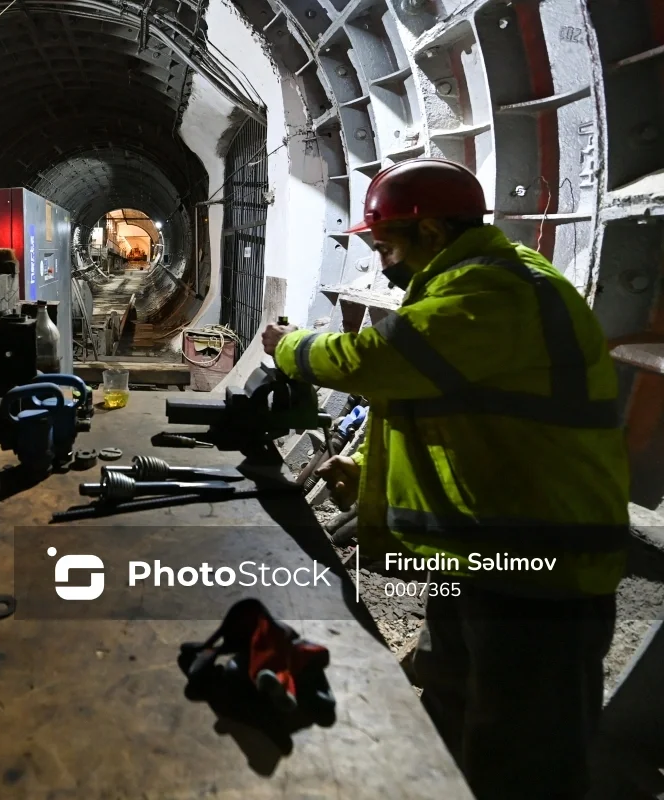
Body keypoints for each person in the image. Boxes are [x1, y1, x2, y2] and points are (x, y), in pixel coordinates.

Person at [260, 158, 629, 799]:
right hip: (484, 557)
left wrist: (287, 346)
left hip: (542, 569)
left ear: (429, 231)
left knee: (524, 753)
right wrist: (365, 465)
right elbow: (426, 405)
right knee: (456, 709)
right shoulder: (458, 289)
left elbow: (377, 361)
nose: (382, 262)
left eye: (386, 245)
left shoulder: (499, 290)